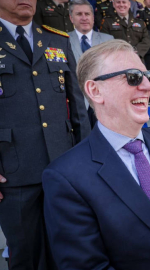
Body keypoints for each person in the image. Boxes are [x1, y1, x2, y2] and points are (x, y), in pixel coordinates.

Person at [42, 39, 150, 270]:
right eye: (133, 77)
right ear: (95, 90)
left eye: (149, 77)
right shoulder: (66, 178)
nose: (147, 86)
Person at [0, 0, 91, 268]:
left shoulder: (56, 40)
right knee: (26, 254)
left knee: (69, 248)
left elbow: (77, 108)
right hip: (13, 172)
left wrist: (86, 159)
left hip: (63, 167)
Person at [68, 0, 114, 128]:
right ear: (71, 18)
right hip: (76, 102)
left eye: (87, 14)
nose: (84, 18)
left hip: (103, 100)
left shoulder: (108, 40)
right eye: (79, 14)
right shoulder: (63, 40)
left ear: (93, 18)